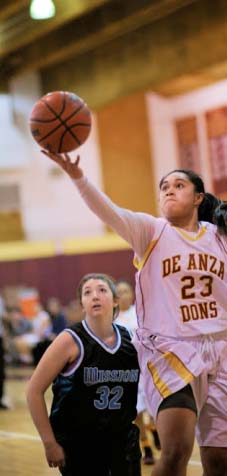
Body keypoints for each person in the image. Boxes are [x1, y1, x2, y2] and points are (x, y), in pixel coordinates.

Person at [41, 149, 227, 476]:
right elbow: (108, 210)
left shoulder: (219, 237)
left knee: (219, 461)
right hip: (172, 350)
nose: (168, 189)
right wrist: (76, 176)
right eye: (164, 186)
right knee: (176, 452)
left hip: (221, 349)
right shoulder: (151, 231)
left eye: (179, 185)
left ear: (199, 197)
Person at [26, 273, 141, 476]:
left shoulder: (131, 339)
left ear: (115, 300)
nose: (95, 296)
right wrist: (50, 444)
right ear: (82, 304)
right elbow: (33, 391)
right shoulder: (69, 340)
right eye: (87, 293)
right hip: (79, 444)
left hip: (123, 441)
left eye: (102, 290)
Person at [115, 279, 160, 465]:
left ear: (132, 294)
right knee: (137, 412)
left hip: (147, 366)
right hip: (128, 369)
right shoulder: (113, 319)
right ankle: (146, 448)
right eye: (119, 292)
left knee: (154, 407)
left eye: (126, 290)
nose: (123, 294)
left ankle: (156, 430)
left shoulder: (140, 313)